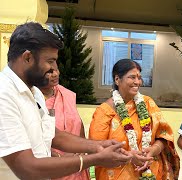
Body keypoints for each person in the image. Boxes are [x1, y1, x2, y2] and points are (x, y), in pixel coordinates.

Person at [0, 22, 132, 180]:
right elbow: (27, 168)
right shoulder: (4, 94)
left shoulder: (34, 92)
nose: (54, 68)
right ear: (28, 57)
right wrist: (95, 159)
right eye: (50, 61)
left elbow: (54, 136)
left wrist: (98, 146)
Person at [89, 59, 180, 180]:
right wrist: (129, 157)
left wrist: (152, 150)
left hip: (151, 172)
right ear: (117, 79)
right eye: (132, 77)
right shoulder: (104, 112)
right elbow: (97, 150)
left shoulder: (148, 104)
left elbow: (163, 136)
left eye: (139, 77)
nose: (137, 82)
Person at [39, 67, 90, 179]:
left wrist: (83, 149)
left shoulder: (66, 94)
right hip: (51, 164)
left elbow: (78, 122)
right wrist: (59, 157)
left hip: (77, 163)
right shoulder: (31, 99)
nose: (55, 74)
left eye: (56, 70)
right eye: (49, 72)